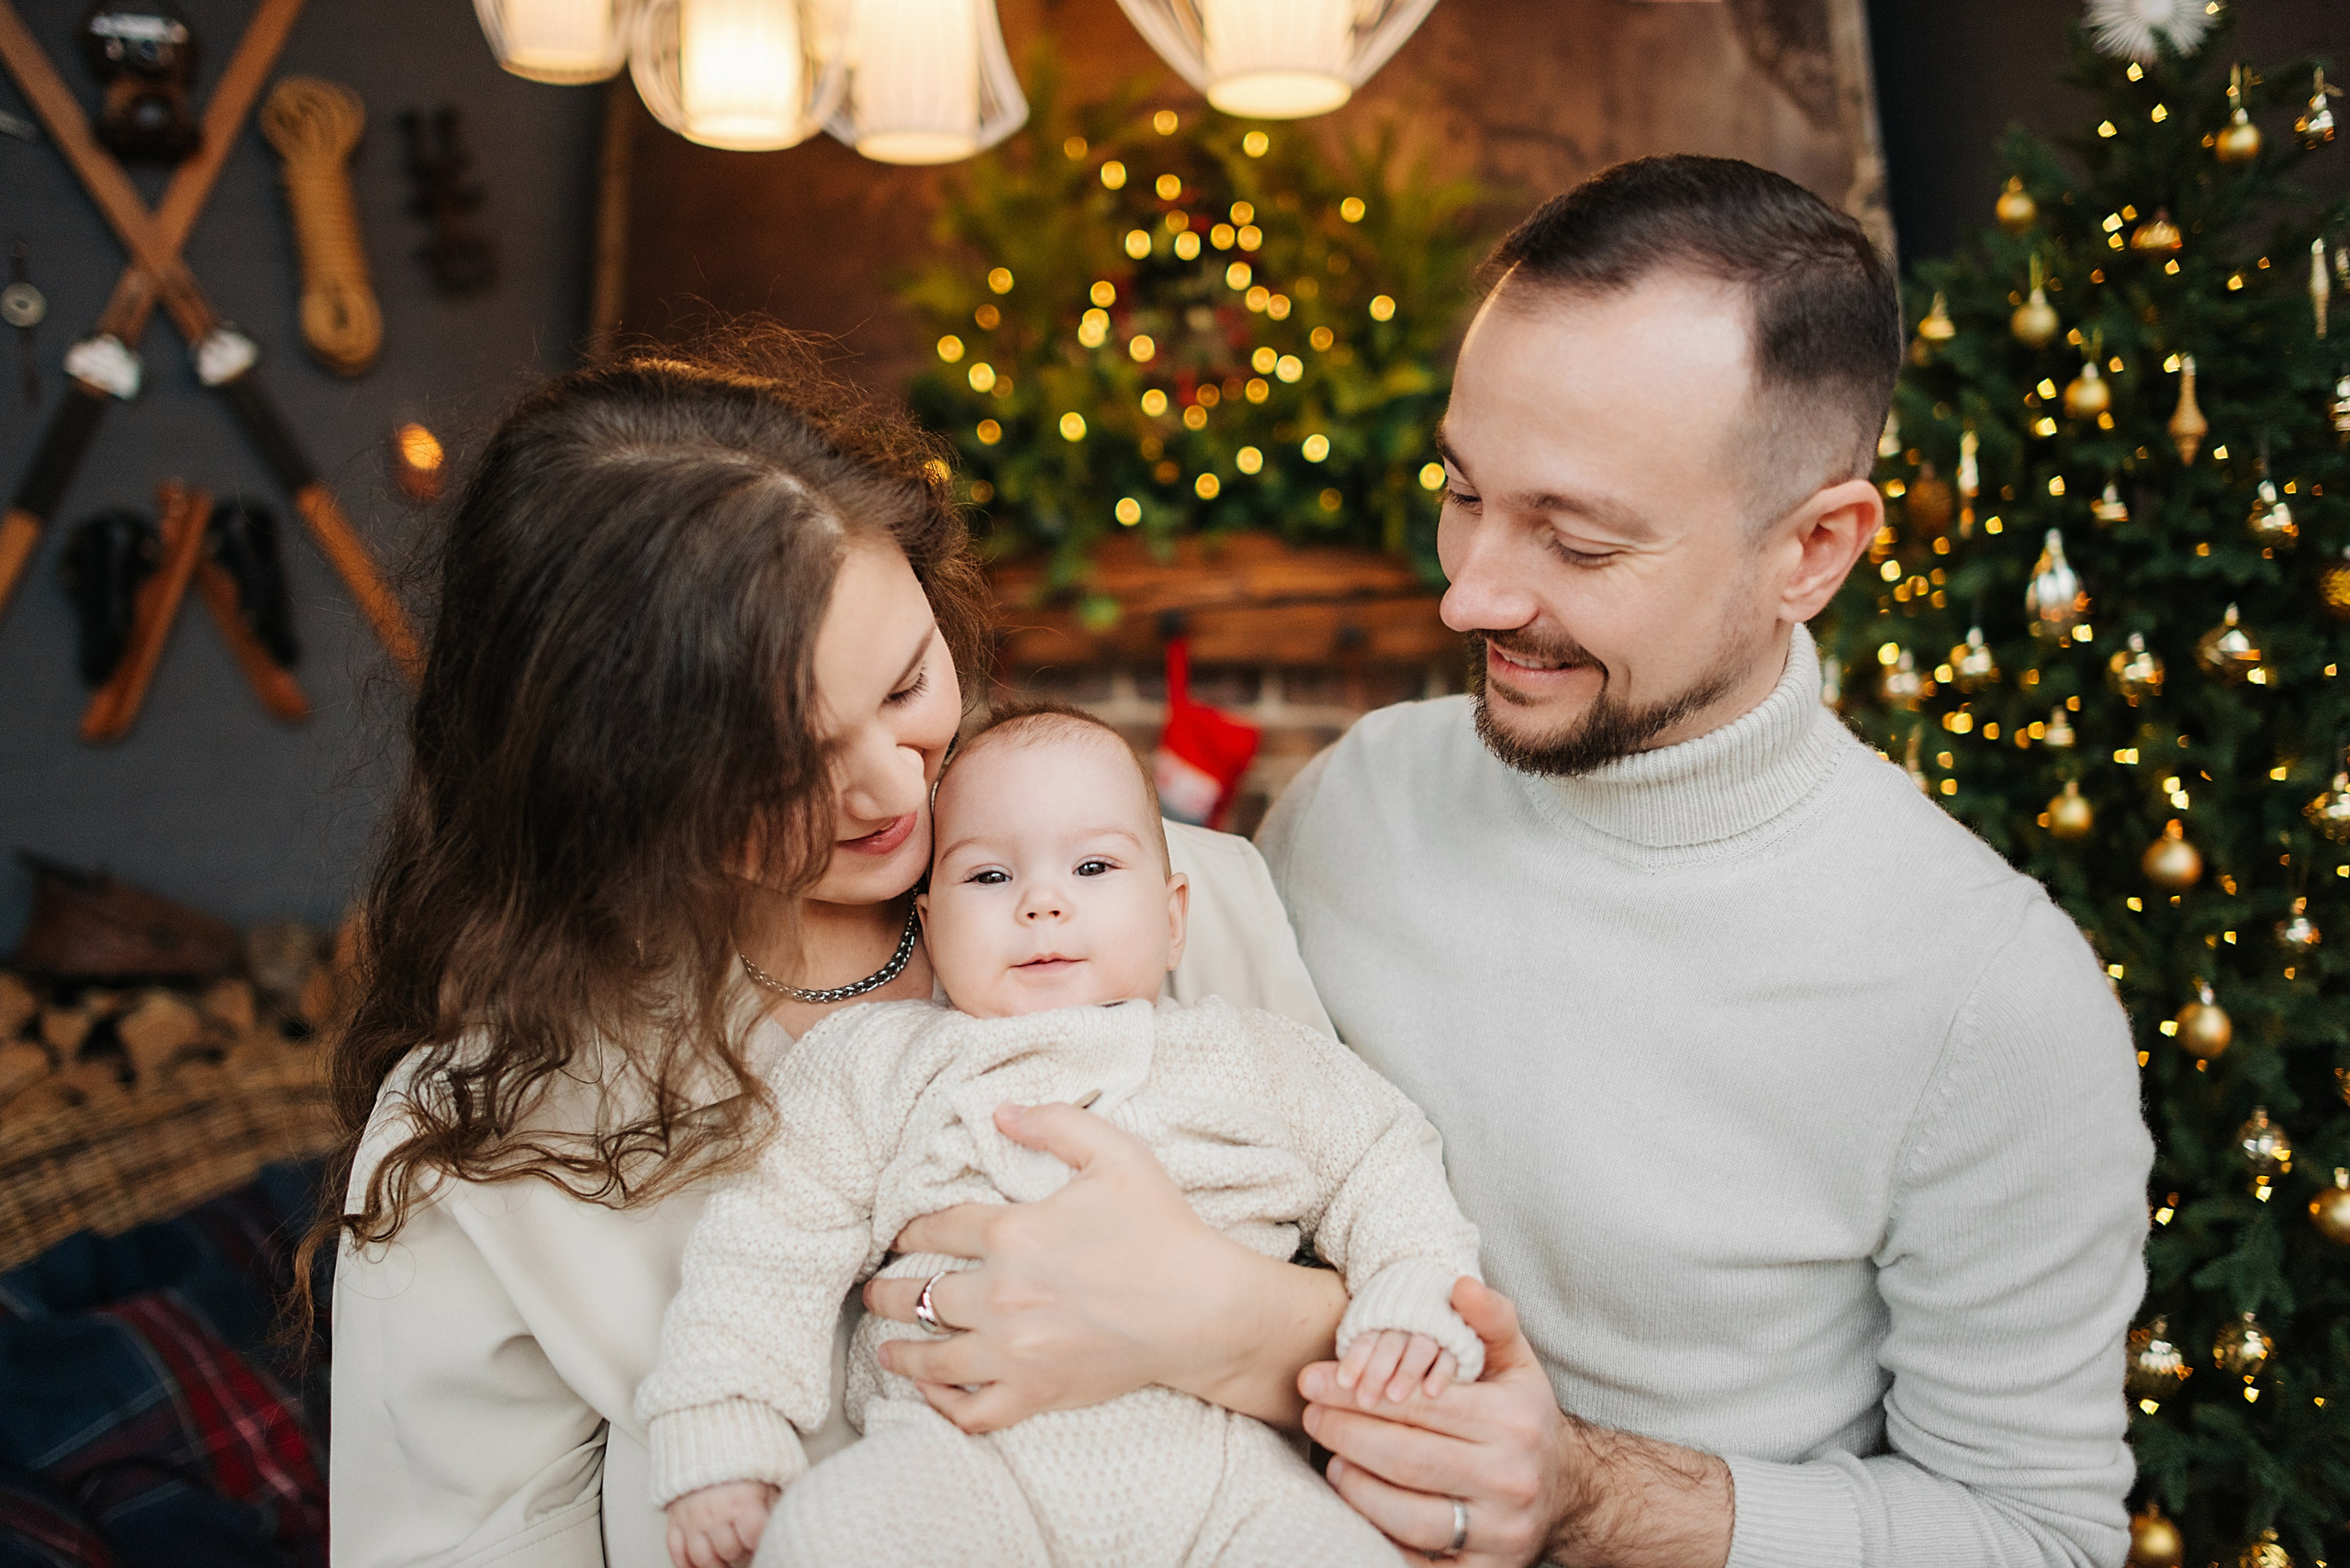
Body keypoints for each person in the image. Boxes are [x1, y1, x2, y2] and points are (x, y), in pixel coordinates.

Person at [1254, 156, 2154, 1566]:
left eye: (1579, 538)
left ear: (1813, 549)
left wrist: (1595, 1495)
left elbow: (2037, 1539)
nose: (1470, 591)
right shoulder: (1352, 802)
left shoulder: (1990, 994)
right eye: (1462, 488)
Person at [321, 354, 1358, 1568]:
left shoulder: (1191, 903)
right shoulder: (493, 1139)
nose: (891, 788)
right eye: (779, 766)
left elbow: (1424, 1346)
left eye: (909, 684)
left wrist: (1222, 1326)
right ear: (604, 786)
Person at [643, 705, 1483, 1568]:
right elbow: (768, 1238)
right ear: (931, 928)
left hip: (1223, 1477)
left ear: (1172, 919)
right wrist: (725, 1429)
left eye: (1091, 865)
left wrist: (1411, 1302)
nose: (1042, 902)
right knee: (824, 1535)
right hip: (954, 1461)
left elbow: (1385, 1163)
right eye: (990, 877)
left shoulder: (1252, 1058)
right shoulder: (881, 1065)